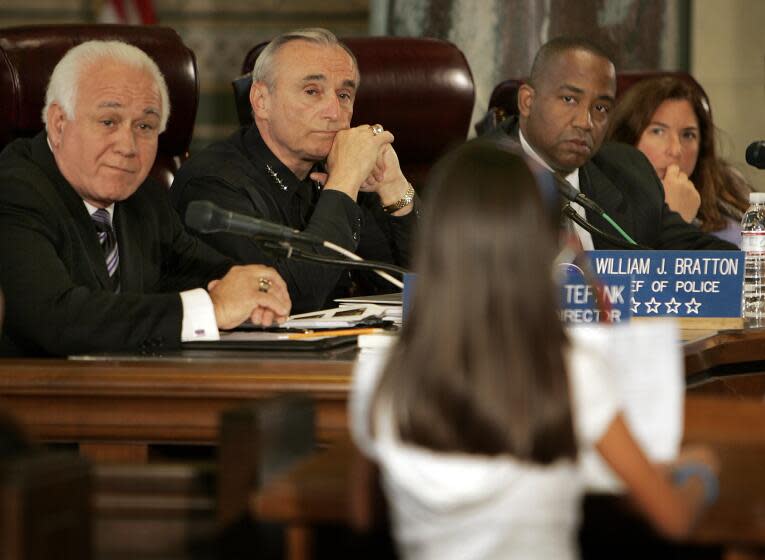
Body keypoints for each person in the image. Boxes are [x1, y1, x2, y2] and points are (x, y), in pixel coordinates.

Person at [350, 139, 718, 560]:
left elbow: (364, 518)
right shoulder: (569, 370)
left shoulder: (383, 376)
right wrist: (699, 475)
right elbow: (671, 519)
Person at [0, 40, 291, 357]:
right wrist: (212, 308)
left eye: (145, 126)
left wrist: (255, 289)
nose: (127, 146)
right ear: (59, 124)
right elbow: (55, 319)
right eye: (108, 121)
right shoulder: (14, 191)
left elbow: (202, 271)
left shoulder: (144, 199)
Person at [171, 28, 417, 314]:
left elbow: (416, 288)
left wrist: (396, 189)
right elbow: (288, 301)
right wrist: (343, 184)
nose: (335, 113)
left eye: (344, 95)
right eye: (312, 92)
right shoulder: (212, 184)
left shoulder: (336, 170)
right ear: (262, 101)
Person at [488, 37, 737, 251]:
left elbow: (704, 255)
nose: (586, 122)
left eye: (600, 108)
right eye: (569, 99)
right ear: (527, 101)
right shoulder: (472, 177)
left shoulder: (629, 172)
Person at [608, 76, 751, 247]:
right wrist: (675, 220)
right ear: (628, 139)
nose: (676, 150)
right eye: (658, 131)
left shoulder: (731, 210)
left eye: (688, 135)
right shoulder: (601, 208)